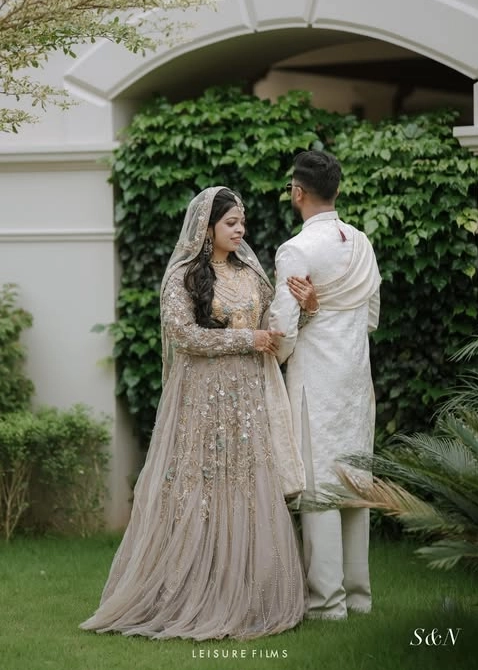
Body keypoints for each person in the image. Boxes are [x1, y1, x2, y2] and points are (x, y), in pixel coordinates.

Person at [80, 186, 317, 641]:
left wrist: (305, 311)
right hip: (202, 399)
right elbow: (183, 334)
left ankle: (247, 595)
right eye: (231, 222)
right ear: (207, 227)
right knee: (202, 487)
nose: (240, 229)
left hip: (248, 399)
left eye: (242, 221)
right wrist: (246, 340)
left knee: (245, 486)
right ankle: (189, 590)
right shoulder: (183, 277)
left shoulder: (250, 272)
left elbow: (273, 330)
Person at [268, 150, 381, 621]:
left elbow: (282, 328)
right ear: (336, 189)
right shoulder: (361, 243)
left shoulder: (296, 250)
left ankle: (327, 604)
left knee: (318, 488)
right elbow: (371, 319)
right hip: (356, 379)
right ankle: (359, 596)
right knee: (355, 485)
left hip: (315, 379)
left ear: (298, 192)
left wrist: (276, 354)